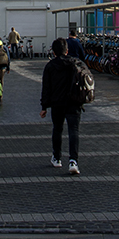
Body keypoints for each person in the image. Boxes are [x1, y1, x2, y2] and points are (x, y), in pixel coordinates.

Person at [40, 37, 81, 175]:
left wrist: (44, 106)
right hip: (74, 102)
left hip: (57, 103)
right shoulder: (74, 64)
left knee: (57, 129)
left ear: (53, 51)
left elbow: (46, 88)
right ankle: (73, 161)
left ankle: (57, 158)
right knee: (73, 131)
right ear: (67, 50)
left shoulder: (50, 66)